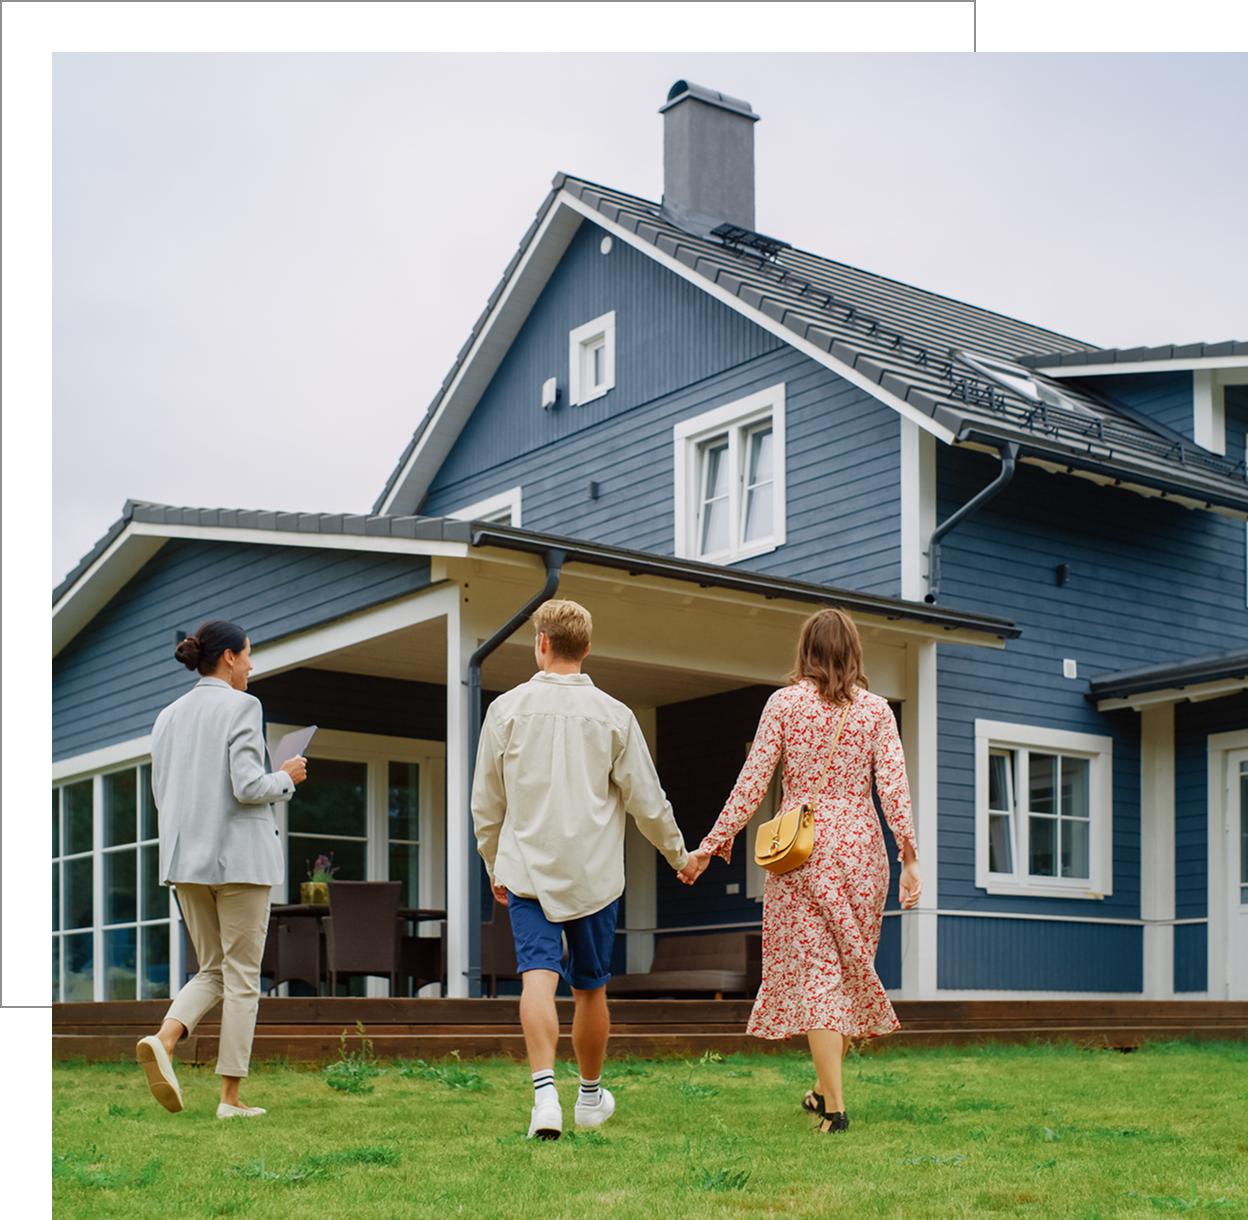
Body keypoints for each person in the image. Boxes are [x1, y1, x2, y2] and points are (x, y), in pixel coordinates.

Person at [679, 607, 921, 1135]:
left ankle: (835, 1110)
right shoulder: (877, 711)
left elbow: (752, 782)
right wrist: (909, 858)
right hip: (862, 853)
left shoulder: (785, 704)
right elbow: (895, 789)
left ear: (806, 650)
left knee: (819, 977)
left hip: (802, 851)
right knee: (846, 974)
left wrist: (710, 847)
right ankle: (822, 1091)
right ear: (854, 651)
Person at [471, 598, 699, 1139]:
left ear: (542, 643)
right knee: (590, 989)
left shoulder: (505, 711)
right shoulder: (615, 716)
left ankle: (544, 1099)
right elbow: (648, 802)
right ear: (587, 648)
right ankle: (590, 1099)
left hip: (527, 872)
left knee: (537, 976)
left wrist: (494, 863)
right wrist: (680, 856)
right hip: (594, 878)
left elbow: (487, 804)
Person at [135, 620, 308, 1120]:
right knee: (242, 978)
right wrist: (286, 777)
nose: (251, 665)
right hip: (239, 862)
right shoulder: (243, 706)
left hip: (185, 862)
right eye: (248, 654)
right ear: (229, 657)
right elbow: (248, 786)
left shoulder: (167, 716)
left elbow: (162, 793)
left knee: (212, 969)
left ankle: (165, 1040)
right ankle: (230, 1099)